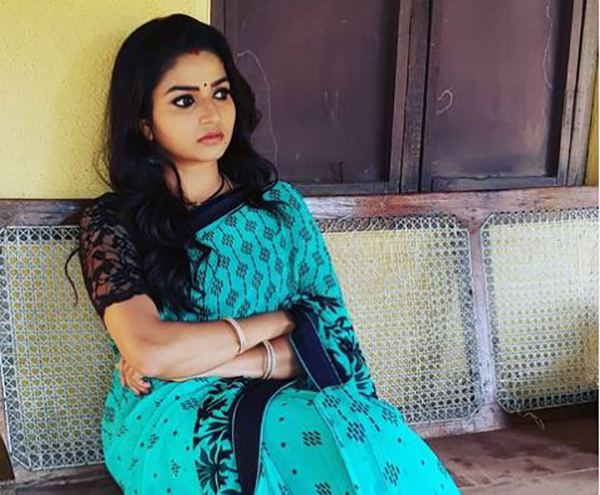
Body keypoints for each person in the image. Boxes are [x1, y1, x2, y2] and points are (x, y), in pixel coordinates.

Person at [77, 13, 461, 494]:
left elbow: (329, 344)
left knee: (372, 437)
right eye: (184, 100)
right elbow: (150, 350)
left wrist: (201, 360)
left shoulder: (279, 209)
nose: (211, 114)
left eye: (220, 93)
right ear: (145, 125)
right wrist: (281, 321)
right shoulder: (114, 222)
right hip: (167, 414)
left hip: (283, 391)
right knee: (289, 444)